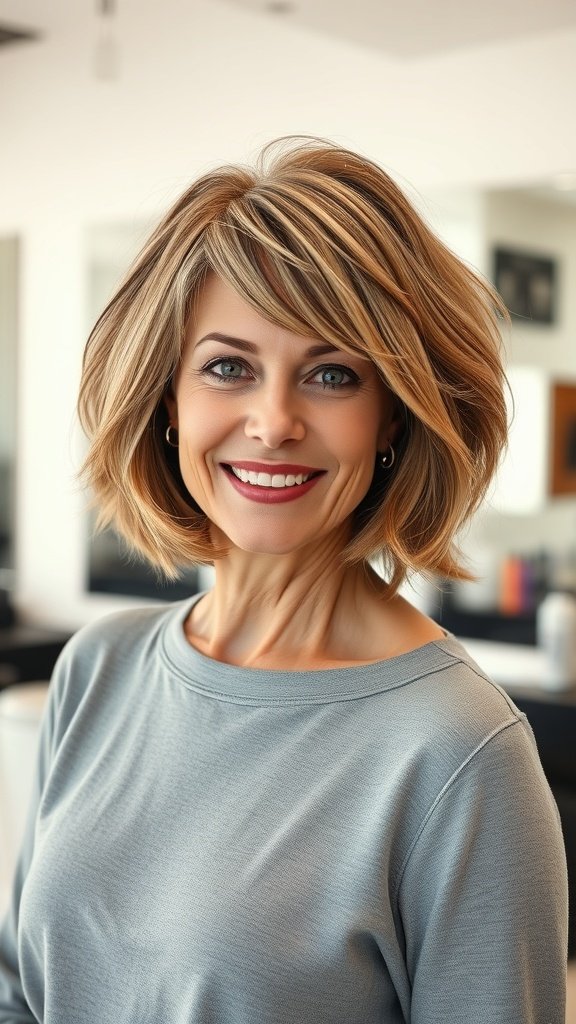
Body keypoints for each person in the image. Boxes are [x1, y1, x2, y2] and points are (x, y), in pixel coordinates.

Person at [0, 137, 568, 1023]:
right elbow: (21, 989)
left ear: (393, 417)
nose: (273, 422)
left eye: (332, 374)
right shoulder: (96, 670)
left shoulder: (458, 751)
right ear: (168, 401)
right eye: (229, 366)